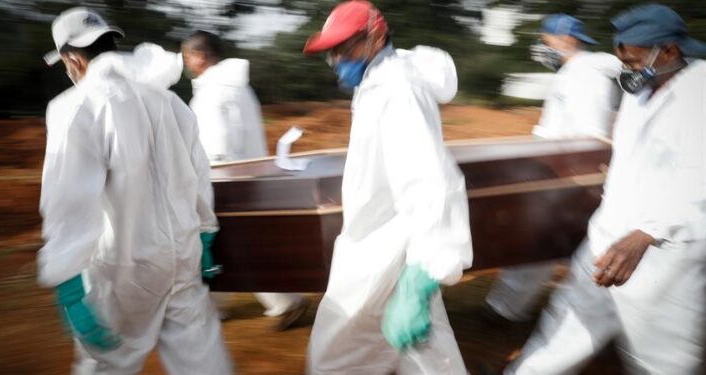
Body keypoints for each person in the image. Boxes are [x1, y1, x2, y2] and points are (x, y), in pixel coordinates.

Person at [506, 4, 706, 374]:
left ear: (670, 51)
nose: (628, 70)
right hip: (607, 235)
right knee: (565, 326)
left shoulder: (700, 95)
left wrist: (647, 233)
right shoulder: (640, 91)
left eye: (633, 61)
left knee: (659, 357)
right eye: (624, 61)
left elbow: (699, 180)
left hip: (661, 249)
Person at [37, 7, 232, 374]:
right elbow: (198, 174)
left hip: (125, 268)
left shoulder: (76, 107)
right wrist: (206, 234)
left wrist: (67, 281)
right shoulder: (169, 101)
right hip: (183, 258)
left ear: (73, 59)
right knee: (202, 360)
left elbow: (68, 200)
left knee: (107, 363)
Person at [302, 1, 473, 373]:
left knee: (332, 359)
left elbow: (431, 180)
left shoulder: (397, 89)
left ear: (377, 36)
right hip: (384, 240)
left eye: (345, 47)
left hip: (386, 247)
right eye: (332, 51)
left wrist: (424, 273)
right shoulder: (378, 83)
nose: (336, 58)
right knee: (426, 352)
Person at [484, 14, 622, 324]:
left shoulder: (585, 75)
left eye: (545, 41)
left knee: (543, 240)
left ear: (567, 40)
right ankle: (505, 308)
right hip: (560, 168)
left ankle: (504, 311)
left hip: (569, 173)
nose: (542, 48)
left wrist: (570, 178)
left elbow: (590, 134)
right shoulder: (573, 72)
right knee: (550, 243)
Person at [178, 30, 310, 330]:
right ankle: (220, 306)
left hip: (223, 181)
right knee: (234, 245)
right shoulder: (237, 86)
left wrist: (206, 182)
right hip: (249, 176)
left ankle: (283, 301)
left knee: (228, 245)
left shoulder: (213, 92)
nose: (186, 63)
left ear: (200, 56)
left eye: (187, 56)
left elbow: (218, 146)